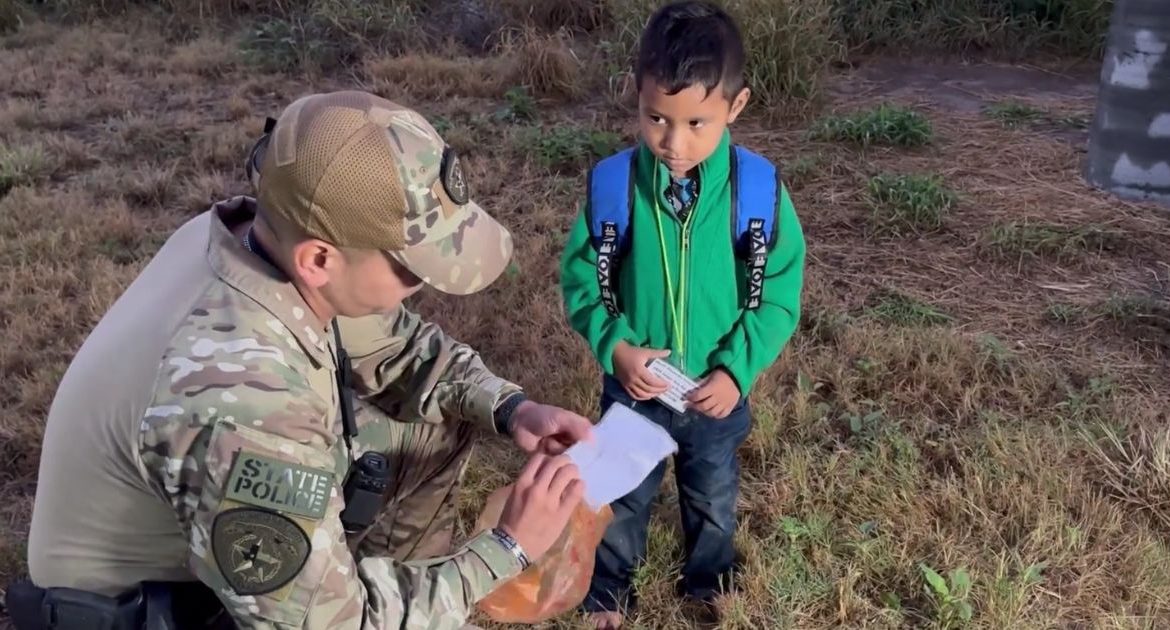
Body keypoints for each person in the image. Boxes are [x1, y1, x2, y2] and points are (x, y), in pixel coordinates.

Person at [10, 90, 593, 630]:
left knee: (431, 424)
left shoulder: (262, 240)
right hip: (154, 614)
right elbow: (334, 626)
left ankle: (399, 590)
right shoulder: (248, 400)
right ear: (319, 260)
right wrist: (508, 548)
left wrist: (511, 408)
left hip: (191, 556)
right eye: (411, 269)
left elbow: (401, 347)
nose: (422, 286)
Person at [558, 2, 807, 627]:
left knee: (713, 495)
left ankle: (709, 582)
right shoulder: (613, 187)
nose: (674, 142)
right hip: (636, 385)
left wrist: (736, 371)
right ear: (636, 96)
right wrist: (616, 348)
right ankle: (608, 590)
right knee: (623, 492)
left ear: (735, 105)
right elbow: (582, 280)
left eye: (697, 122)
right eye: (656, 119)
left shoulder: (758, 193)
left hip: (714, 393)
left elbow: (779, 294)